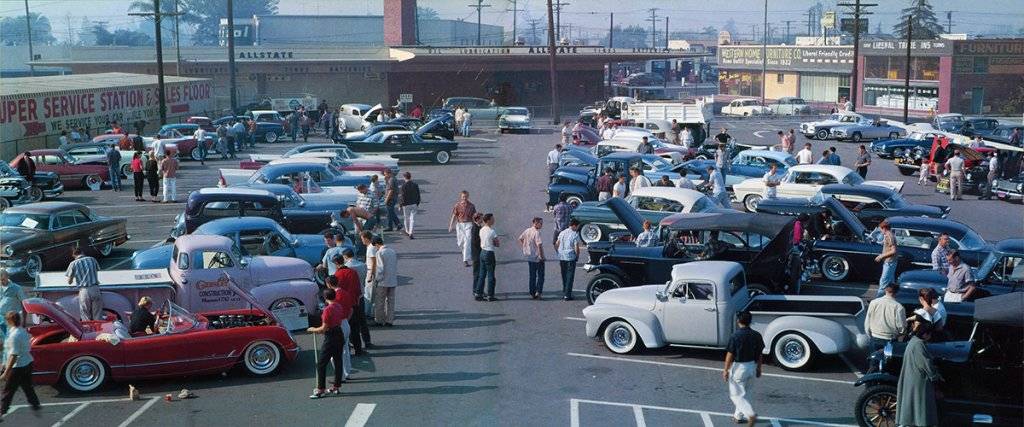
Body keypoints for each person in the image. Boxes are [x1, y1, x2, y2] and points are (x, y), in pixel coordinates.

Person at [895, 319, 941, 427]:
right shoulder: (919, 345)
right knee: (920, 407)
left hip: (910, 378)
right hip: (919, 381)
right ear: (925, 334)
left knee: (912, 405)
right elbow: (926, 364)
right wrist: (935, 376)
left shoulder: (913, 341)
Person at [723, 311, 763, 427]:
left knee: (735, 395)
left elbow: (730, 354)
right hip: (752, 366)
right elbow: (760, 353)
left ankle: (750, 414)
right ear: (750, 321)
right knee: (746, 393)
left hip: (739, 367)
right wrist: (759, 368)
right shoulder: (756, 335)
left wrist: (725, 370)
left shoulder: (735, 336)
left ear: (738, 321)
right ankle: (738, 416)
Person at [307, 288, 348, 399]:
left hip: (331, 336)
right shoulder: (339, 306)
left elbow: (324, 328)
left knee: (321, 364)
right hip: (339, 333)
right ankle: (336, 386)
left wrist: (313, 329)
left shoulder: (327, 310)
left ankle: (320, 389)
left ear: (325, 298)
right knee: (338, 360)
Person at [0, 312, 41, 417]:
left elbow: (13, 355)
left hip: (18, 367)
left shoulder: (14, 335)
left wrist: (6, 372)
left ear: (11, 321)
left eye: (7, 320)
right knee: (27, 387)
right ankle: (36, 405)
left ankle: (2, 411)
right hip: (28, 362)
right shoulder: (22, 331)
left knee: (8, 390)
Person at [330, 255, 361, 365]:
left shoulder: (337, 275)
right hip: (354, 302)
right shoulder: (353, 272)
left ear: (336, 264)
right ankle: (358, 349)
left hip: (343, 305)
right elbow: (358, 288)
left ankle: (347, 349)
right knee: (355, 328)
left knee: (344, 329)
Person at [342, 248, 371, 351]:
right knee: (362, 320)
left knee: (352, 322)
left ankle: (352, 342)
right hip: (361, 295)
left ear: (345, 257)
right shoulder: (362, 265)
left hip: (350, 297)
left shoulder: (347, 268)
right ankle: (367, 341)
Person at [864, 283, 908, 352]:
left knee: (873, 360)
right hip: (890, 339)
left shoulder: (873, 303)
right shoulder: (899, 307)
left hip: (875, 336)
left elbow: (867, 322)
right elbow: (901, 327)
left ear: (885, 290)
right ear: (897, 292)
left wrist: (870, 335)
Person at [65, 247, 102, 321]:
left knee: (85, 314)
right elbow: (97, 269)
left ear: (73, 255)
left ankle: (89, 331)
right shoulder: (92, 259)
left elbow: (69, 281)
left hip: (84, 291)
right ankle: (98, 329)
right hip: (95, 288)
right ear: (82, 252)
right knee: (97, 314)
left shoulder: (73, 264)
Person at [371, 236, 398, 324]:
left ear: (377, 244)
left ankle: (379, 320)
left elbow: (380, 268)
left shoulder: (380, 253)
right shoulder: (392, 251)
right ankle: (390, 320)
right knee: (391, 302)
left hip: (383, 282)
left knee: (380, 302)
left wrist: (377, 279)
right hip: (392, 280)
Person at [518, 217, 546, 299]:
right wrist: (542, 256)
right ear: (535, 223)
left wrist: (525, 247)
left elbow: (520, 238)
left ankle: (532, 292)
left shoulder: (527, 230)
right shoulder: (537, 232)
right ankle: (538, 292)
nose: (542, 225)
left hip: (530, 256)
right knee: (541, 275)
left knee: (532, 275)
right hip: (537, 257)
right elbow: (539, 245)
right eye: (540, 223)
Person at [555, 219, 582, 301]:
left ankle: (565, 291)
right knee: (570, 276)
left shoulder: (562, 232)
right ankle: (567, 295)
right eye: (577, 226)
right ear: (574, 225)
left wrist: (558, 252)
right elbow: (576, 247)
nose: (577, 228)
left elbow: (556, 244)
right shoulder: (574, 234)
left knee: (564, 275)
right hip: (570, 257)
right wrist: (577, 256)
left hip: (562, 256)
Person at [448, 190, 477, 267]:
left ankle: (465, 260)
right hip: (460, 225)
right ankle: (465, 252)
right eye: (463, 197)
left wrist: (476, 225)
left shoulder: (472, 206)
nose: (465, 198)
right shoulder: (457, 205)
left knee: (467, 241)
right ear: (461, 197)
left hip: (469, 224)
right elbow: (454, 216)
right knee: (460, 243)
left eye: (466, 196)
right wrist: (451, 225)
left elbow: (475, 217)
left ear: (468, 196)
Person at [477, 214, 499, 301]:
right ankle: (490, 295)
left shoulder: (481, 229)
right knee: (491, 275)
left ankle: (478, 293)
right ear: (488, 220)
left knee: (482, 274)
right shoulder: (492, 231)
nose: (494, 220)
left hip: (482, 252)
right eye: (492, 219)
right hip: (489, 253)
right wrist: (493, 243)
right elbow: (497, 243)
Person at [873, 220, 898, 296]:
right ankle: (892, 297)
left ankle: (877, 299)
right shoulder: (888, 235)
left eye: (880, 229)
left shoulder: (889, 236)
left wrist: (881, 256)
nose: (880, 231)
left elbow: (893, 251)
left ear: (884, 228)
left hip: (889, 262)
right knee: (891, 283)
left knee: (883, 282)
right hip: (890, 262)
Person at [0, 270, 27, 336]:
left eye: (3, 279)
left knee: (12, 339)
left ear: (8, 277)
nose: (1, 281)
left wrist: (24, 320)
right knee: (3, 340)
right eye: (0, 280)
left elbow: (24, 304)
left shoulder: (17, 288)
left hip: (12, 319)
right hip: (1, 318)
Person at [398, 171, 420, 239]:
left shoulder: (403, 186)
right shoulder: (415, 185)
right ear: (410, 177)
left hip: (406, 204)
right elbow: (418, 195)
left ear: (404, 177)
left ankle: (407, 231)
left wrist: (400, 205)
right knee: (412, 219)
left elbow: (402, 196)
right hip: (414, 203)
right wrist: (417, 203)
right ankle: (411, 232)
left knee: (406, 218)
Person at [469, 213, 484, 299]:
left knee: (479, 273)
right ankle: (476, 290)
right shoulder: (475, 228)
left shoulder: (478, 227)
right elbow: (475, 242)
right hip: (477, 255)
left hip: (477, 254)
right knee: (477, 273)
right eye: (481, 218)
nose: (482, 220)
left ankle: (478, 289)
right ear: (477, 219)